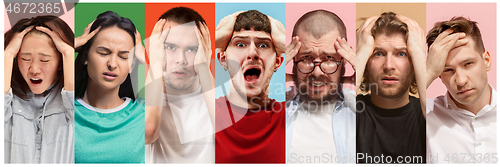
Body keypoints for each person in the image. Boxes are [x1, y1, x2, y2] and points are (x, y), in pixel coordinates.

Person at [144, 6, 215, 163]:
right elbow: (147, 132)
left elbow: (231, 135)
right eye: (170, 47)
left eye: (191, 49)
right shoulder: (140, 104)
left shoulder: (217, 103)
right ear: (156, 49)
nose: (181, 59)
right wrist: (154, 63)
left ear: (205, 51)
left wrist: (204, 67)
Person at [284, 10, 356, 164]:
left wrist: (368, 82)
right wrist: (267, 78)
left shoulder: (363, 109)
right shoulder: (271, 108)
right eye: (306, 58)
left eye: (329, 58)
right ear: (293, 58)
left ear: (344, 58)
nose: (317, 72)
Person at [74, 11, 145, 163]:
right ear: (85, 56)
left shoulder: (144, 113)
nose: (112, 64)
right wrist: (70, 46)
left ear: (132, 64)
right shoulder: (62, 110)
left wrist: (147, 61)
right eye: (103, 53)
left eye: (123, 56)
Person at [214, 10, 286, 163]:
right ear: (222, 59)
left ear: (278, 62)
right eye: (240, 44)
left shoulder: (292, 115)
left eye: (263, 45)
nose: (253, 52)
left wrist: (286, 42)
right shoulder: (203, 112)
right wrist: (212, 40)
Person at [355, 12, 426, 163]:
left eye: (401, 54)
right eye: (378, 54)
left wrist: (420, 54)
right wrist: (361, 54)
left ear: (414, 62)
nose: (388, 66)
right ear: (366, 62)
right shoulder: (350, 112)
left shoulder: (430, 114)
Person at [4, 15, 74, 163]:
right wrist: (7, 54)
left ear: (61, 62)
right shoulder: (8, 100)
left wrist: (68, 54)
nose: (34, 69)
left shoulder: (72, 102)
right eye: (25, 59)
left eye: (44, 60)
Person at [425, 17, 496, 163]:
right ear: (439, 74)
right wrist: (428, 72)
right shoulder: (424, 117)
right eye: (448, 70)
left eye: (468, 64)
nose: (461, 80)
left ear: (487, 61)